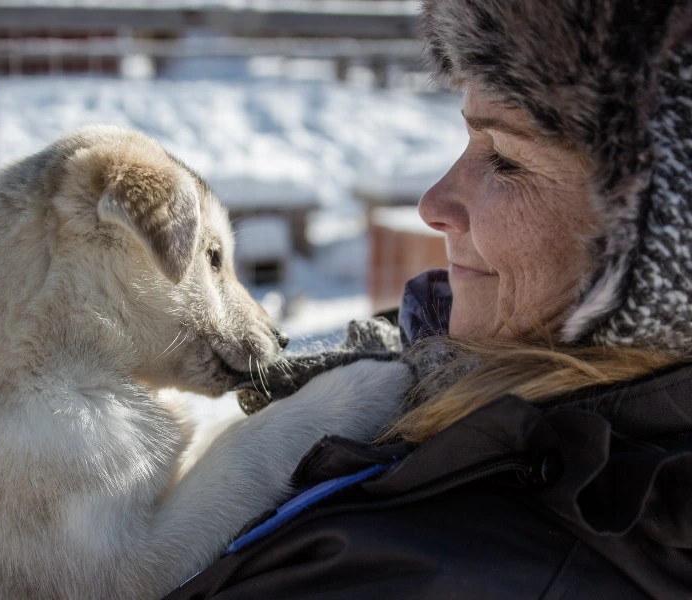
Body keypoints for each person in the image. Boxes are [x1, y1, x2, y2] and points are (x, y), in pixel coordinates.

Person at [164, 1, 692, 598]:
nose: (433, 203)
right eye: (467, 138)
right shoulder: (454, 394)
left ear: (662, 248)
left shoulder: (435, 569)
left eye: (506, 160)